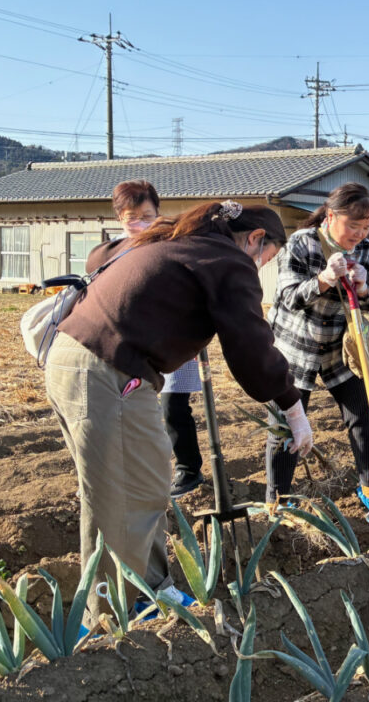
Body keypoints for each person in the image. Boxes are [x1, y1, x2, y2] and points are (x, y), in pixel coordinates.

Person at [45, 200, 309, 626]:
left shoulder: (177, 241)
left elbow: (100, 258)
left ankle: (152, 588)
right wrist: (292, 405)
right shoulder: (226, 259)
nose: (260, 267)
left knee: (141, 486)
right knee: (122, 500)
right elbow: (251, 346)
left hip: (74, 360)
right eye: (266, 258)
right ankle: (107, 621)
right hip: (106, 371)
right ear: (256, 238)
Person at [266, 183, 369, 518]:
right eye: (354, 225)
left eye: (366, 228)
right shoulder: (301, 244)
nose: (360, 234)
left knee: (362, 415)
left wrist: (363, 289)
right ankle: (278, 501)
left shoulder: (366, 252)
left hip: (339, 348)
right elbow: (288, 298)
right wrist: (323, 279)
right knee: (286, 424)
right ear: (331, 216)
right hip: (295, 347)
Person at [110, 180, 205, 499]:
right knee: (130, 409)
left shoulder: (172, 242)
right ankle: (138, 473)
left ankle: (188, 470)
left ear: (158, 213)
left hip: (173, 338)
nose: (140, 224)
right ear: (119, 218)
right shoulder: (114, 251)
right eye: (131, 217)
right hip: (130, 343)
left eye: (147, 216)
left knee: (173, 406)